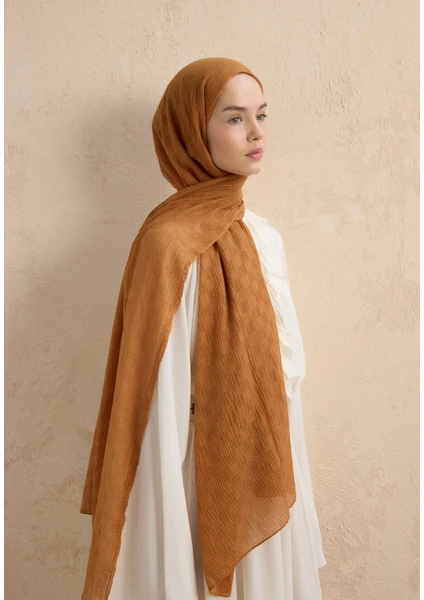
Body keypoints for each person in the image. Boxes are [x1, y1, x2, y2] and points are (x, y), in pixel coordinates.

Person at [79, 57, 326, 600]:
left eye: (261, 114)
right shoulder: (168, 244)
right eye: (235, 118)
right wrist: (167, 523)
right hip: (199, 482)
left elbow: (283, 382)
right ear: (192, 134)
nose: (256, 132)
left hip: (267, 468)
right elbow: (156, 406)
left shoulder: (264, 236)